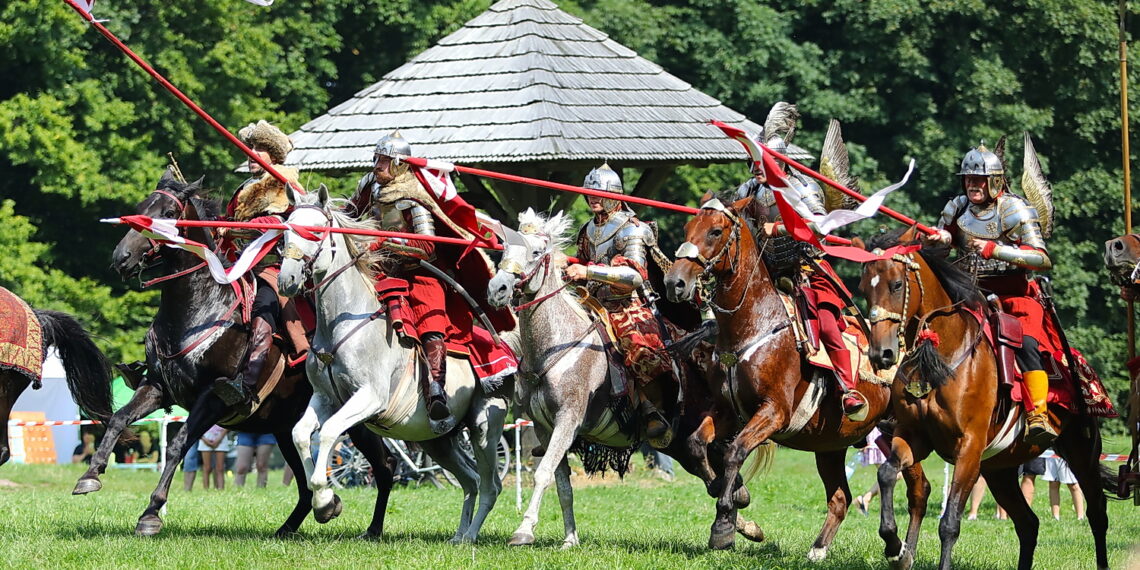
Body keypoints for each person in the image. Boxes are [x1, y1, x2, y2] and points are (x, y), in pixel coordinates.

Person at [349, 130, 515, 435]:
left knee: (431, 323)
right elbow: (349, 215)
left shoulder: (413, 194)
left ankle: (436, 391)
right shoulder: (369, 187)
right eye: (376, 159)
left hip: (421, 272)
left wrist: (383, 241)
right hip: (381, 271)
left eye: (384, 161)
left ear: (399, 164)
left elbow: (426, 246)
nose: (377, 166)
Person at [734, 103, 865, 417]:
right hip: (764, 270)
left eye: (762, 160)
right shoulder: (748, 189)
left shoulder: (803, 188)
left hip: (805, 267)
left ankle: (848, 389)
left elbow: (820, 227)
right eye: (754, 160)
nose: (756, 167)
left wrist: (777, 228)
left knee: (830, 326)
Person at [925, 143, 1059, 444]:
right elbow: (939, 252)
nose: (973, 184)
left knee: (1024, 343)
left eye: (980, 179)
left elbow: (1041, 257)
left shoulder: (1014, 209)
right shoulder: (956, 207)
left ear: (995, 181)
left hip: (1014, 296)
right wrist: (940, 239)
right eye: (969, 179)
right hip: (967, 293)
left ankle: (1038, 413)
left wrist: (995, 249)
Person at [565, 163, 674, 446]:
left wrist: (589, 272)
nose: (592, 198)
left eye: (598, 193)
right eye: (589, 193)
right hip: (592, 303)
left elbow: (635, 276)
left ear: (614, 194)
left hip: (625, 304)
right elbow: (583, 262)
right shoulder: (587, 229)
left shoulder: (631, 229)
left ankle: (652, 408)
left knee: (638, 345)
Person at [213, 120, 310, 411]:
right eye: (251, 148)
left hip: (275, 266)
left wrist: (239, 229)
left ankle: (248, 382)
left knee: (264, 307)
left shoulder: (285, 184)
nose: (252, 153)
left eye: (260, 149)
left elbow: (281, 223)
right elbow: (229, 223)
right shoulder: (245, 189)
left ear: (274, 156)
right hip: (238, 265)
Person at [851, 426, 893, 514]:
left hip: (882, 434)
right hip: (877, 437)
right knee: (888, 474)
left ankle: (866, 499)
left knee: (890, 474)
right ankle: (884, 511)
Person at [1042, 449, 1085, 520]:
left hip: (1068, 451)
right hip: (1052, 451)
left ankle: (1080, 517)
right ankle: (1055, 517)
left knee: (1073, 485)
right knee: (1053, 483)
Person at [198, 424, 230, 490]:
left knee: (220, 468)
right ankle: (206, 490)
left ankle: (221, 490)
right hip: (205, 436)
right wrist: (203, 439)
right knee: (207, 467)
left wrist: (220, 437)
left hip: (221, 436)